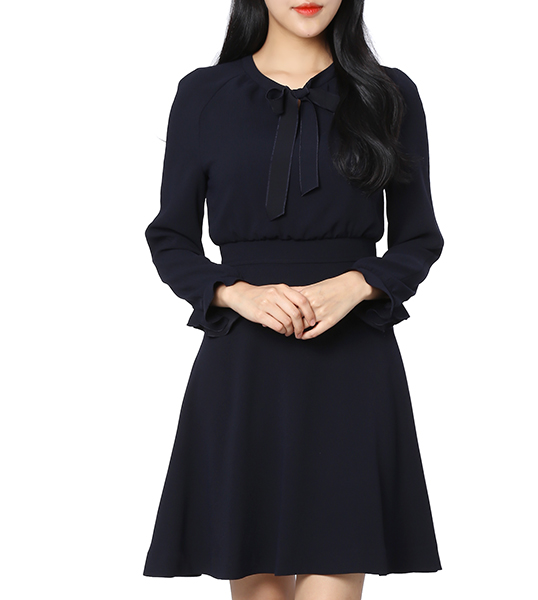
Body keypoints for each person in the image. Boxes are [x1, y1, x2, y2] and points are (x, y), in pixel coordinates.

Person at [142, 1, 445, 599]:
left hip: (352, 367)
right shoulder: (203, 94)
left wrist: (356, 285)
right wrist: (235, 294)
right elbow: (170, 238)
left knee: (337, 570)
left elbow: (419, 239)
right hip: (244, 367)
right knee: (256, 579)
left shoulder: (389, 93)